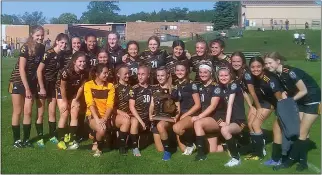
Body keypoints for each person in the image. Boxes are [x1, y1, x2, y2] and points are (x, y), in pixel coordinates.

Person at [264, 52, 321, 171]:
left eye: (270, 62)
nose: (267, 65)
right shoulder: (279, 74)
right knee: (301, 132)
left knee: (302, 132)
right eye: (266, 63)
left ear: (278, 61)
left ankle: (288, 162)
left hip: (313, 101)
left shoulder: (290, 72)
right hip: (301, 102)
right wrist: (287, 93)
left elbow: (304, 90)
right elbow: (290, 88)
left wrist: (289, 101)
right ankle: (303, 162)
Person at [8, 25, 45, 148]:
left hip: (31, 82)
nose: (40, 38)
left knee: (28, 111)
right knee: (18, 111)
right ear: (32, 36)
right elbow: (21, 69)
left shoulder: (42, 48)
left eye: (42, 35)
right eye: (37, 35)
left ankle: (26, 140)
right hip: (18, 81)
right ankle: (16, 140)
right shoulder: (26, 47)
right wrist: (27, 88)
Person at [245, 57, 284, 161]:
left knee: (255, 124)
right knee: (250, 124)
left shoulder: (269, 78)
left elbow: (278, 96)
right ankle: (256, 148)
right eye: (253, 67)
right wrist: (256, 107)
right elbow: (252, 92)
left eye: (258, 66)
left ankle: (260, 152)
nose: (255, 69)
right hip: (259, 101)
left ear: (263, 67)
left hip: (269, 102)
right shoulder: (250, 75)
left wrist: (278, 108)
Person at [36, 33, 69, 147]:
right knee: (41, 113)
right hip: (44, 84)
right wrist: (41, 87)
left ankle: (52, 136)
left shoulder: (62, 55)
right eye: (62, 43)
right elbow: (39, 71)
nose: (64, 45)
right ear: (57, 42)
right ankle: (40, 138)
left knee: (52, 112)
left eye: (65, 43)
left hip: (53, 85)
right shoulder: (48, 53)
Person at [56, 51, 88, 150]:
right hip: (62, 92)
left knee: (75, 112)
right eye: (80, 61)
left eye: (84, 61)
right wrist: (65, 101)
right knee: (65, 113)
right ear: (74, 62)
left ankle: (72, 140)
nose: (82, 63)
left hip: (74, 92)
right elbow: (62, 87)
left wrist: (76, 99)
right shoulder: (66, 71)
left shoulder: (85, 72)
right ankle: (61, 140)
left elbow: (81, 87)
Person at [191, 62, 223, 161]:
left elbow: (213, 106)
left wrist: (199, 116)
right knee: (213, 150)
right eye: (200, 72)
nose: (202, 74)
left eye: (205, 72)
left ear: (210, 73)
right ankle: (231, 145)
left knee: (198, 123)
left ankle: (201, 155)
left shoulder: (216, 87)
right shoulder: (200, 86)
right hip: (207, 119)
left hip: (217, 118)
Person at [230, 51, 261, 152]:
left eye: (238, 61)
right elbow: (244, 92)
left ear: (243, 61)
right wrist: (250, 106)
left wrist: (257, 108)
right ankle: (253, 146)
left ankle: (258, 148)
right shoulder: (237, 73)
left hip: (261, 99)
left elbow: (252, 92)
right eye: (233, 61)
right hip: (255, 101)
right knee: (251, 123)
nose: (236, 63)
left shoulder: (246, 74)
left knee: (253, 124)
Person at [83, 63, 115, 157]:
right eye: (104, 73)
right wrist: (97, 119)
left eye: (107, 73)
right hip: (93, 116)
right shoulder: (88, 85)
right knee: (101, 129)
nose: (107, 75)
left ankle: (101, 143)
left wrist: (105, 118)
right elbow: (90, 103)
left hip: (106, 116)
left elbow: (110, 105)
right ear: (97, 74)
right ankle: (99, 147)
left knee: (124, 121)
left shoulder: (110, 86)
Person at [149, 66, 180, 161]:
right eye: (158, 75)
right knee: (159, 149)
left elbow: (178, 106)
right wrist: (150, 114)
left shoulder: (173, 89)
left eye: (162, 75)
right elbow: (152, 105)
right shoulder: (154, 89)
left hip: (168, 119)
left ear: (167, 76)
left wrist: (176, 117)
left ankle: (168, 153)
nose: (160, 77)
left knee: (161, 126)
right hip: (157, 119)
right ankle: (170, 141)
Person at [172, 62, 201, 155]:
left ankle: (191, 143)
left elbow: (197, 105)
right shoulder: (175, 84)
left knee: (177, 128)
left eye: (182, 70)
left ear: (187, 71)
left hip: (191, 113)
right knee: (183, 149)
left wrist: (185, 115)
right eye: (177, 70)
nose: (179, 72)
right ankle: (192, 140)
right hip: (180, 113)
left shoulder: (192, 84)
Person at [129, 65, 153, 156]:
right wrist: (141, 122)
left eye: (143, 74)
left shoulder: (152, 89)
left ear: (148, 75)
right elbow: (131, 107)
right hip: (137, 117)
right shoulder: (134, 89)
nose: (140, 76)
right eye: (138, 74)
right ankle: (135, 148)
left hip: (149, 117)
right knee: (134, 122)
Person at [113, 65, 133, 155]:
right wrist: (120, 112)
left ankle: (132, 144)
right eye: (125, 74)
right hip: (115, 115)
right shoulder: (114, 88)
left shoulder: (131, 87)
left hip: (129, 114)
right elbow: (109, 107)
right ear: (118, 75)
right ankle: (121, 146)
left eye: (128, 73)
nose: (127, 76)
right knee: (126, 120)